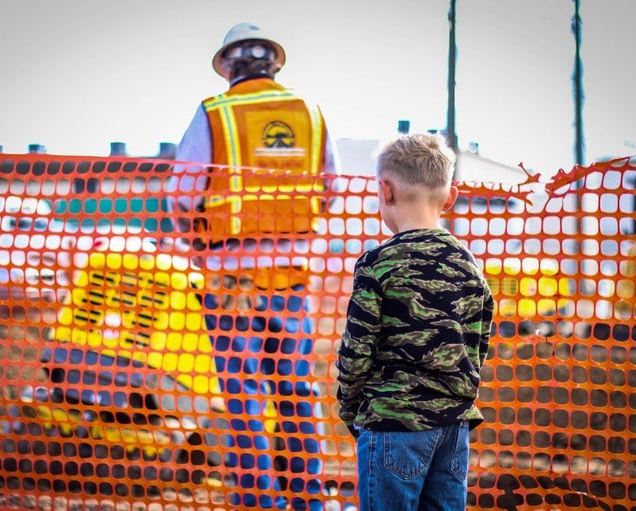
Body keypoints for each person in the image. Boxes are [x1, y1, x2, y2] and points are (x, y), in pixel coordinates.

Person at [172, 21, 340, 510]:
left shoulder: (214, 113)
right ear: (274, 63)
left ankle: (259, 503)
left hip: (231, 283)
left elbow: (182, 194)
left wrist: (200, 239)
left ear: (227, 68)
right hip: (293, 281)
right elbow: (329, 190)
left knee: (245, 399)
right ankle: (307, 500)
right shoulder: (309, 114)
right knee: (296, 394)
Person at [336, 133, 494, 511]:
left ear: (384, 191)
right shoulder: (470, 266)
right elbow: (476, 347)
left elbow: (356, 351)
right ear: (450, 196)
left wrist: (350, 407)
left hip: (391, 424)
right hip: (452, 427)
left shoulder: (377, 263)